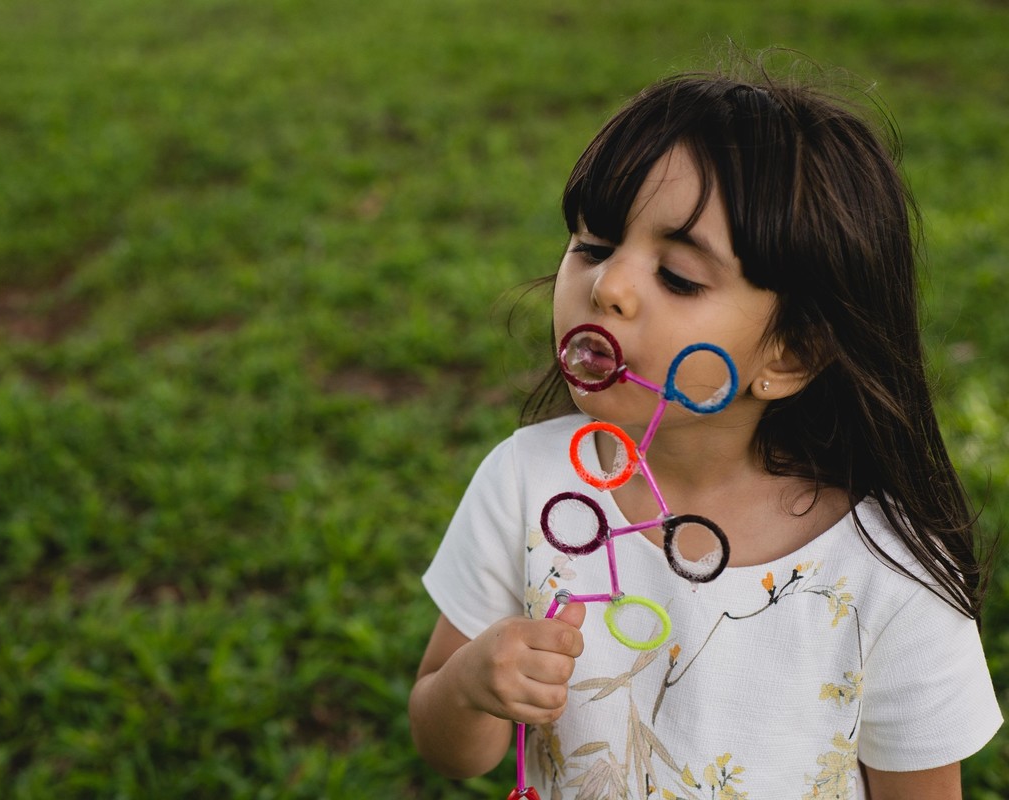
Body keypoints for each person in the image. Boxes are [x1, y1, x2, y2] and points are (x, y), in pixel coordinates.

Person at [408, 55, 1002, 800]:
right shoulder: (527, 483)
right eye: (593, 244)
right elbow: (448, 747)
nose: (609, 286)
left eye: (680, 277)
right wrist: (470, 685)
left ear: (792, 354)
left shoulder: (885, 572)